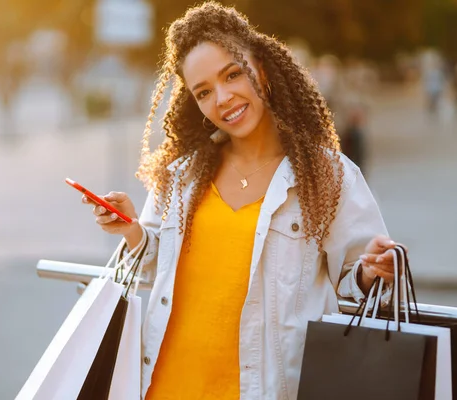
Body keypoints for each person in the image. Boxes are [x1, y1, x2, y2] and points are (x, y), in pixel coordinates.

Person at [82, 3, 403, 399]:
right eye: (203, 92)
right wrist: (132, 229)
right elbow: (157, 264)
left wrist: (371, 271)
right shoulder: (182, 176)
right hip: (164, 388)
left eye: (232, 74)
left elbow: (357, 282)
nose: (222, 98)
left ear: (261, 69)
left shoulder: (328, 175)